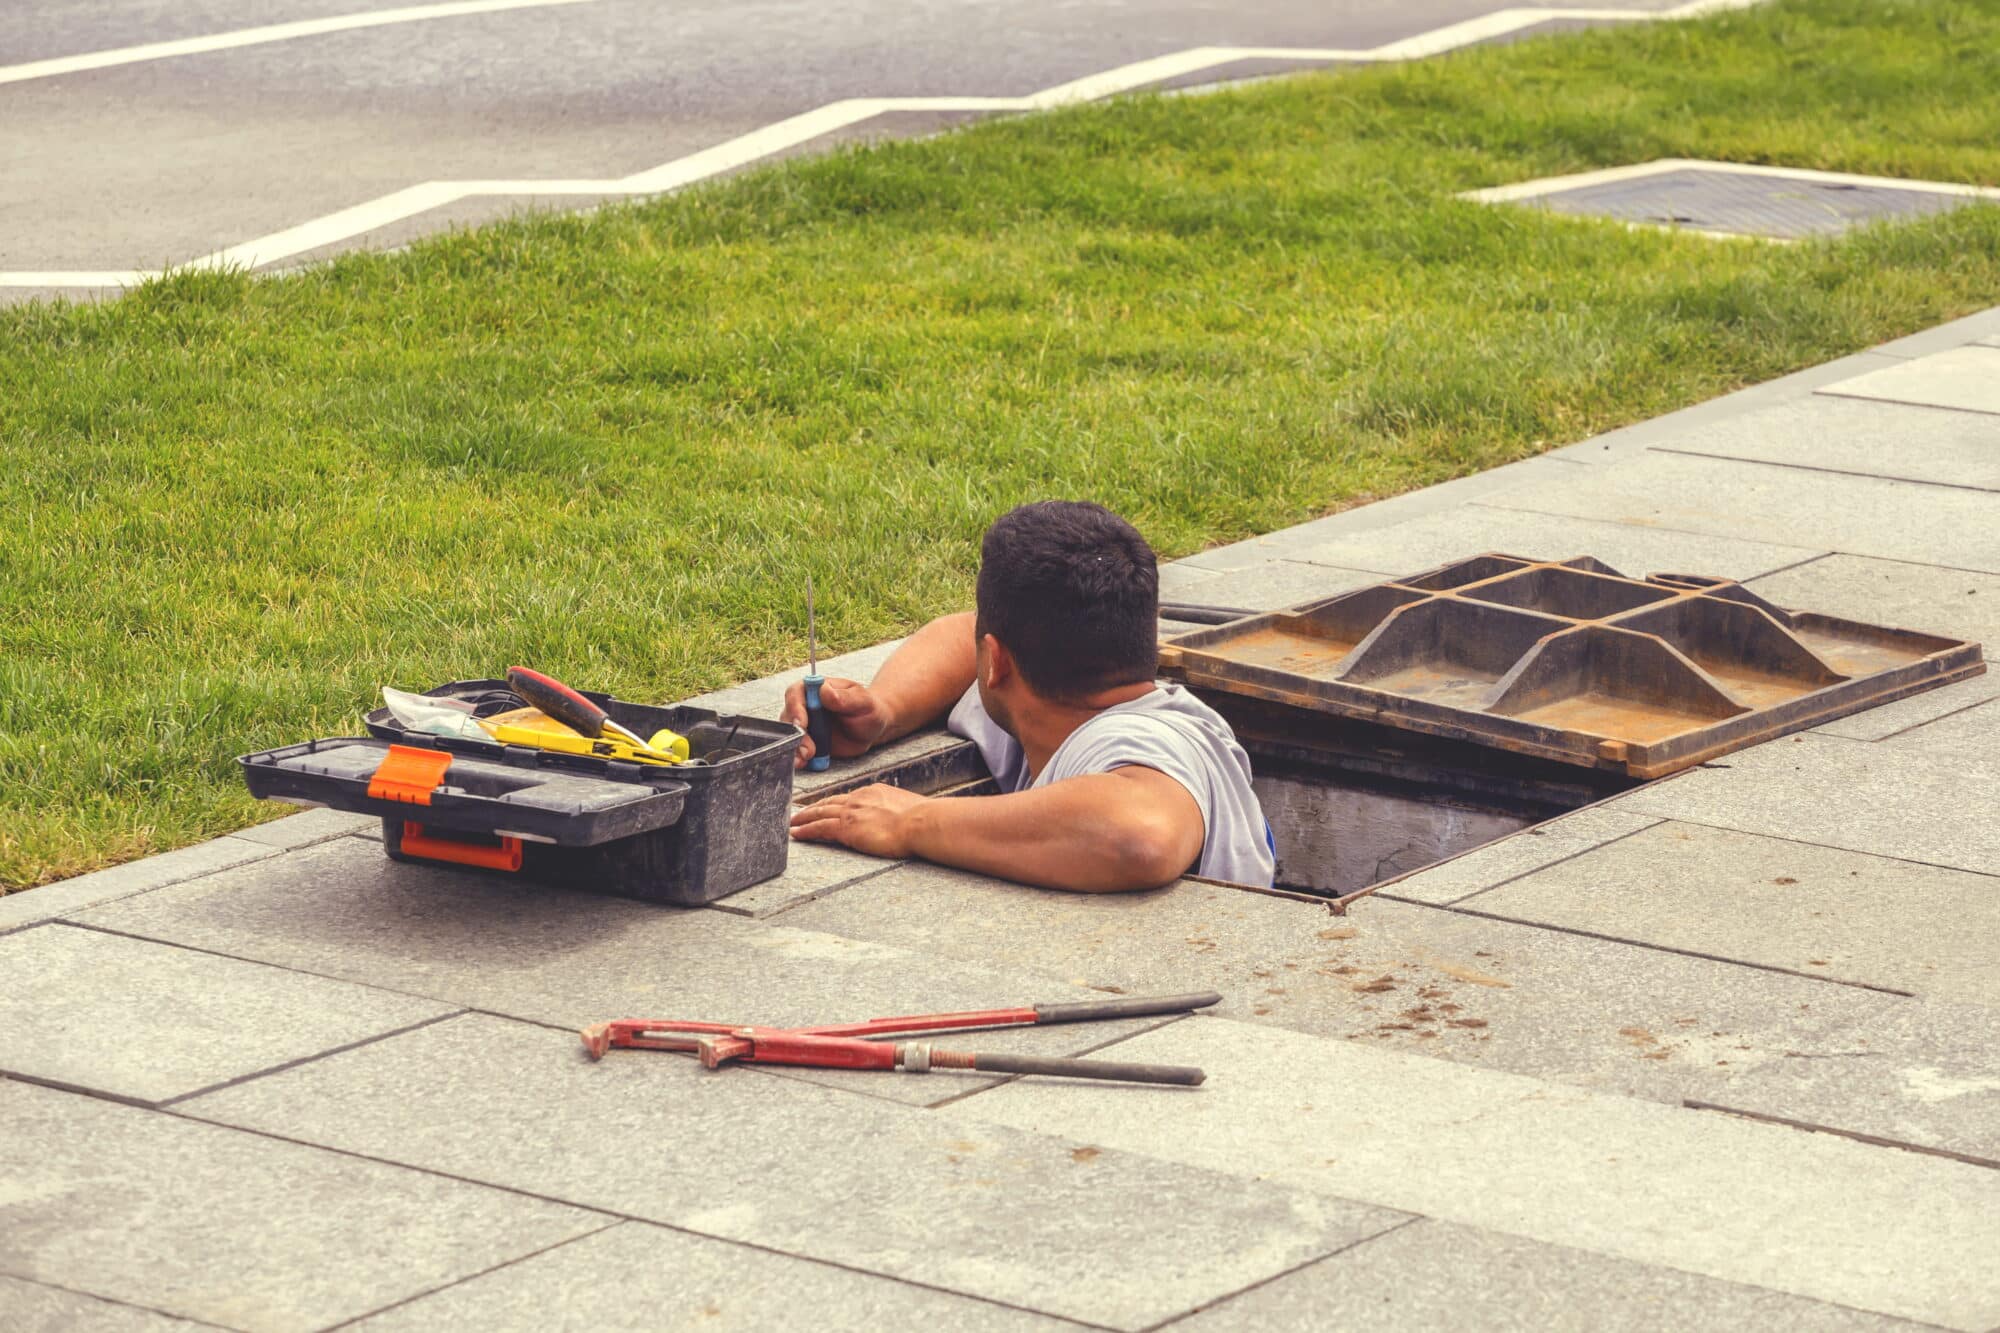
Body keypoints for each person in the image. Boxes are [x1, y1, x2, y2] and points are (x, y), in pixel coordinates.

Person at [782, 501, 1275, 893]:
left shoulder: (1135, 739)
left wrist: (911, 822)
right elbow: (959, 639)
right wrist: (884, 711)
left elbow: (1141, 835)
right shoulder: (1060, 707)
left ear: (996, 664)